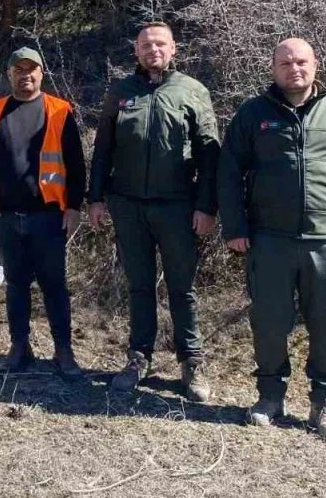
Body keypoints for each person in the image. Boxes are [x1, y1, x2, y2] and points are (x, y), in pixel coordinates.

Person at [218, 38, 326, 441]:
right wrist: (235, 227)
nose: (294, 68)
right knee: (270, 323)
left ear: (315, 65)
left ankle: (324, 404)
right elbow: (228, 171)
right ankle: (270, 398)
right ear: (273, 69)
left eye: (301, 61)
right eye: (285, 62)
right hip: (269, 240)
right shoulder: (253, 114)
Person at [87, 22, 220, 401]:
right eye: (146, 45)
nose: (153, 50)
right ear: (137, 51)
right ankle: (137, 357)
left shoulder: (193, 92)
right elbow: (103, 151)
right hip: (128, 205)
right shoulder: (121, 93)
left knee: (183, 288)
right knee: (139, 285)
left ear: (173, 49)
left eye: (160, 44)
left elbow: (210, 155)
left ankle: (191, 361)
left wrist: (206, 206)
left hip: (178, 207)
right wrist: (95, 198)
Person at [0, 48, 87, 380]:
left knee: (54, 286)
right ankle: (19, 348)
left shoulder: (59, 111)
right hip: (6, 217)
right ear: (9, 74)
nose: (26, 75)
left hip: (48, 217)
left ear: (41, 73)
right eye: (19, 69)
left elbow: (76, 164)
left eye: (32, 69)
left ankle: (64, 351)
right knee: (16, 285)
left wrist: (74, 207)